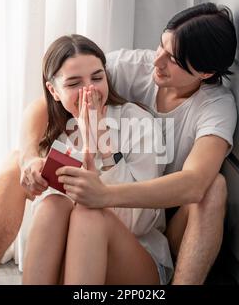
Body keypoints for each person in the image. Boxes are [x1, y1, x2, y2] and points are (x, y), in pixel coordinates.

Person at [0, 2, 237, 285]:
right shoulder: (124, 69)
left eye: (173, 59)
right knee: (21, 172)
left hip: (163, 219)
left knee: (214, 187)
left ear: (204, 73)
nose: (157, 61)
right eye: (160, 46)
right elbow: (42, 105)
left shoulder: (212, 108)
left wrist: (102, 186)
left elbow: (194, 183)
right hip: (100, 224)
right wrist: (29, 159)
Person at [22, 34, 173, 284]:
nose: (89, 90)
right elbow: (48, 228)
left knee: (88, 215)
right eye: (73, 83)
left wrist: (102, 140)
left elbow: (139, 222)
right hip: (74, 261)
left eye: (97, 77)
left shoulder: (137, 122)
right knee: (52, 206)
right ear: (54, 91)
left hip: (136, 258)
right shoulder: (56, 133)